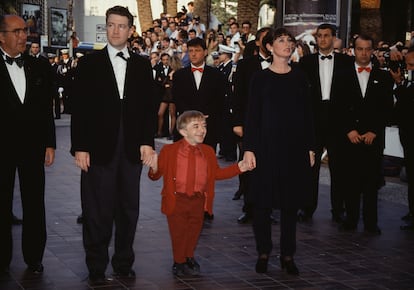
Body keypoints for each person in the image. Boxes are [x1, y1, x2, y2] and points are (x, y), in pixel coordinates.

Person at [70, 6, 157, 285]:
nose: (116, 30)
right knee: (97, 209)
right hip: (98, 147)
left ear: (131, 30)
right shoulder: (89, 64)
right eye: (111, 25)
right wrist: (80, 147)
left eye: (121, 26)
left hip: (131, 147)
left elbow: (147, 108)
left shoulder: (143, 66)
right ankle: (96, 265)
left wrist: (147, 142)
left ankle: (123, 263)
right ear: (105, 28)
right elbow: (79, 109)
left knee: (128, 208)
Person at [242, 27, 315, 275]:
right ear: (270, 47)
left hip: (293, 150)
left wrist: (310, 147)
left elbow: (308, 117)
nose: (287, 44)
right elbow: (252, 116)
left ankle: (287, 255)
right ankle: (263, 252)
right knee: (262, 204)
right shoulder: (260, 79)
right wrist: (249, 149)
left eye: (289, 40)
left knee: (289, 205)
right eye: (281, 40)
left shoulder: (300, 77)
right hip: (264, 149)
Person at [148, 110, 252, 277]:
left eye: (204, 126)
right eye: (195, 126)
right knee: (178, 232)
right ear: (183, 131)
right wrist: (153, 167)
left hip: (197, 200)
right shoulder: (170, 151)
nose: (202, 130)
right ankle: (179, 261)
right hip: (177, 200)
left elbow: (216, 174)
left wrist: (239, 168)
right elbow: (156, 175)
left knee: (193, 231)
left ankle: (189, 256)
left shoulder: (208, 151)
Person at [0, 14, 56, 275]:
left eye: (24, 31)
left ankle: (34, 257)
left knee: (35, 203)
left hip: (33, 148)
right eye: (16, 31)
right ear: (1, 36)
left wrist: (50, 144)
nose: (23, 36)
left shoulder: (39, 66)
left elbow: (47, 108)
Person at [337, 35, 394, 234]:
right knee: (350, 181)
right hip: (350, 139)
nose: (363, 53)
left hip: (373, 139)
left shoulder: (384, 77)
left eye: (367, 49)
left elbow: (387, 109)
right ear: (353, 50)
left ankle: (371, 223)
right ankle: (351, 219)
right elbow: (337, 107)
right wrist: (349, 130)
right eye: (359, 49)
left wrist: (374, 131)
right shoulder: (341, 75)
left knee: (371, 183)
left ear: (372, 50)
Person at [298, 23, 354, 223]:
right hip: (313, 120)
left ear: (334, 38)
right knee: (310, 167)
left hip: (338, 121)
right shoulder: (305, 63)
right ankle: (307, 207)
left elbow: (352, 94)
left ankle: (338, 209)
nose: (322, 39)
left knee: (339, 167)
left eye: (326, 36)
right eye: (320, 36)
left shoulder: (347, 62)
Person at [172, 37, 226, 220]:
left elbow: (221, 100)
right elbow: (177, 100)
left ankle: (205, 207)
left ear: (205, 52)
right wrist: (192, 117)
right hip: (186, 130)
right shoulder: (179, 75)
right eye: (190, 51)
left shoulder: (217, 75)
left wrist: (206, 116)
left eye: (196, 50)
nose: (193, 54)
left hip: (208, 129)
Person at [231, 27, 272, 222]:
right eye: (265, 39)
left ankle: (267, 209)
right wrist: (238, 122)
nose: (268, 42)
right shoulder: (246, 65)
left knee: (271, 168)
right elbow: (237, 95)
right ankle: (249, 208)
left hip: (274, 126)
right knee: (248, 166)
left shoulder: (283, 63)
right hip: (250, 123)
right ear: (257, 42)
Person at [390, 46, 414, 230]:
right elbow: (401, 110)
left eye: (412, 64)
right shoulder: (407, 83)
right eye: (408, 64)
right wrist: (399, 83)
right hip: (408, 137)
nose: (409, 68)